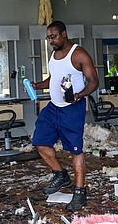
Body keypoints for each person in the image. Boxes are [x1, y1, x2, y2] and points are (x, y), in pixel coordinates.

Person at [30, 20, 99, 212]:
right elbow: (55, 77)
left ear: (64, 34)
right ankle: (61, 174)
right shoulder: (53, 54)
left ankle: (80, 192)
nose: (50, 41)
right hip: (53, 107)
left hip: (72, 109)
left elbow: (94, 81)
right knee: (40, 142)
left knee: (75, 150)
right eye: (48, 37)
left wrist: (80, 94)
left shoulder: (79, 54)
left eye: (53, 36)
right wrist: (38, 85)